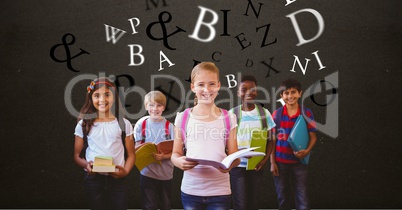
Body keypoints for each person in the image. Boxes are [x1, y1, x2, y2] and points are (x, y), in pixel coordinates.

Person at [171, 62, 240, 210]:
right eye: (201, 84)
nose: (207, 89)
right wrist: (179, 162)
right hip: (191, 190)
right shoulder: (183, 118)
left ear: (219, 85)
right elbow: (175, 154)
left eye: (212, 84)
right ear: (193, 87)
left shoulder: (229, 118)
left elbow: (235, 156)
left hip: (220, 191)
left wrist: (229, 165)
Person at [73, 77, 135, 210]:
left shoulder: (123, 124)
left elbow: (131, 155)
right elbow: (77, 155)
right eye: (97, 95)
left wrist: (125, 172)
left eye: (107, 95)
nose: (102, 100)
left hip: (118, 180)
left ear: (114, 96)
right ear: (91, 98)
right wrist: (86, 165)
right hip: (94, 180)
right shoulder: (83, 125)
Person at [229, 75, 276, 210]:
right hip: (237, 166)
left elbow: (271, 139)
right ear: (238, 93)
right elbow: (226, 141)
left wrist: (265, 160)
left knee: (253, 202)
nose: (248, 92)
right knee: (240, 203)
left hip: (257, 166)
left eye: (252, 89)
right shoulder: (233, 114)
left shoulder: (264, 113)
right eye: (244, 89)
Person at [270, 78, 317, 210]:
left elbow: (313, 137)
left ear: (300, 93)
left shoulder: (306, 113)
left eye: (293, 92)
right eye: (286, 93)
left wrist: (307, 151)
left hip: (299, 164)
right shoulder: (276, 115)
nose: (290, 96)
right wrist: (272, 162)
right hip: (280, 163)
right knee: (283, 198)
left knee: (302, 199)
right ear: (281, 95)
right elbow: (272, 140)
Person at [133, 91, 175, 210]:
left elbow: (177, 152)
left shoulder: (170, 127)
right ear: (146, 106)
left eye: (159, 105)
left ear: (164, 107)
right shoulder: (141, 124)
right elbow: (136, 148)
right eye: (151, 105)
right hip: (147, 174)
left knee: (165, 205)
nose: (155, 109)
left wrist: (164, 157)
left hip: (165, 175)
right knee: (149, 205)